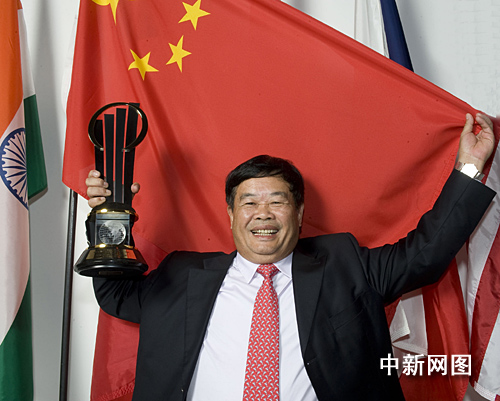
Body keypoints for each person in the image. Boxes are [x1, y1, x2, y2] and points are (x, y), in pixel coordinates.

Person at [87, 113, 496, 401]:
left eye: (277, 202)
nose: (262, 214)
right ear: (230, 214)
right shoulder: (183, 274)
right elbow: (116, 295)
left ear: (299, 213)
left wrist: (470, 166)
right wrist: (108, 214)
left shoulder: (345, 264)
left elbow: (425, 254)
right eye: (249, 202)